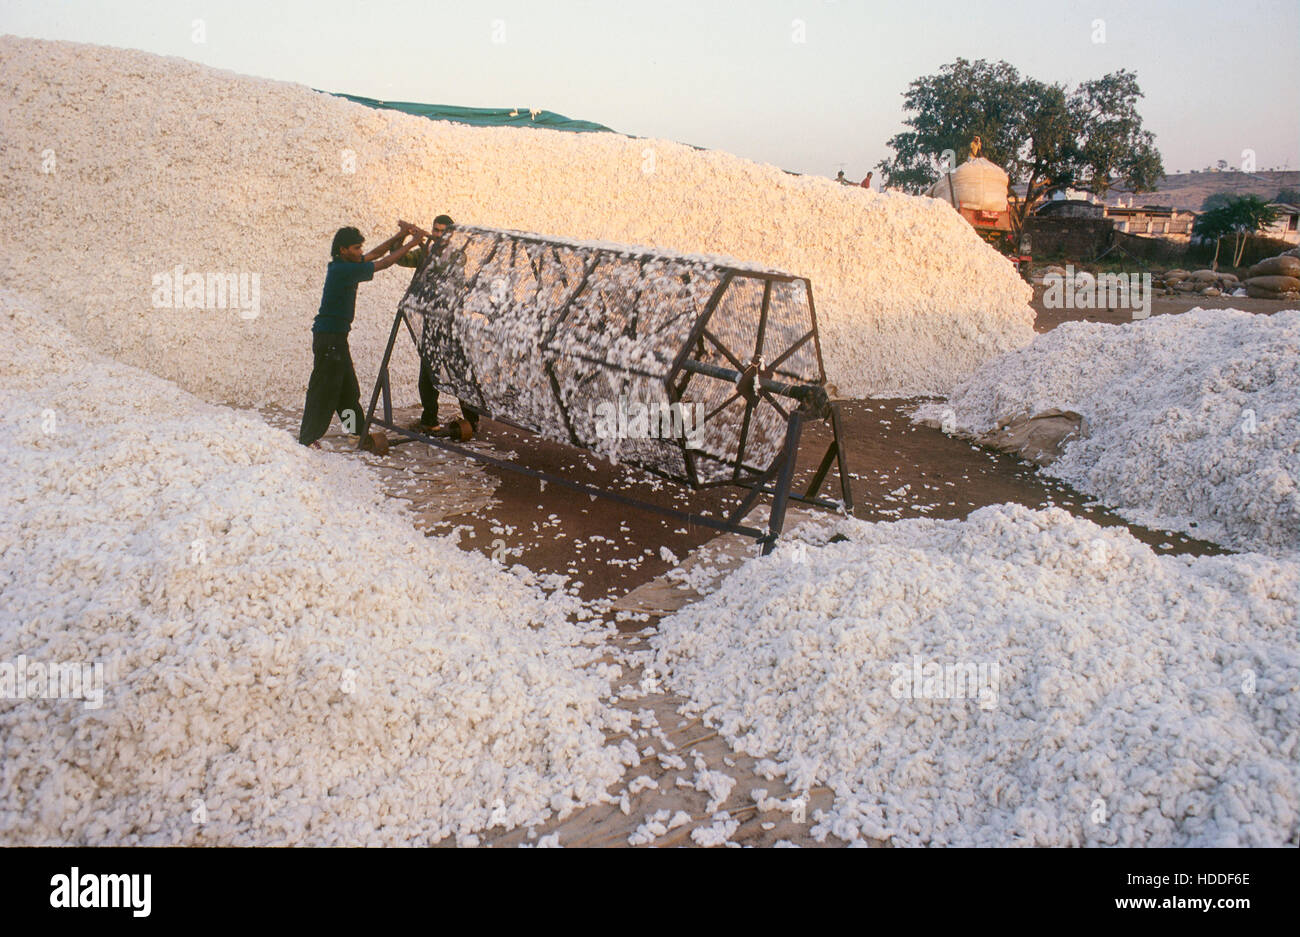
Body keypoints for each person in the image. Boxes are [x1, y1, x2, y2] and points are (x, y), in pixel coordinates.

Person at [298, 225, 422, 448]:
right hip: (329, 340)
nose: (360, 252)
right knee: (324, 390)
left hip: (336, 338)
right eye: (356, 248)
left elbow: (374, 255)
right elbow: (382, 263)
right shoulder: (342, 271)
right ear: (343, 249)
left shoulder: (346, 263)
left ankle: (356, 432)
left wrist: (400, 236)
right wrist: (415, 242)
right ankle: (307, 439)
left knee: (347, 389)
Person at [396, 214, 481, 437]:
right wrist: (402, 237)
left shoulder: (457, 255)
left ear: (452, 235)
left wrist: (425, 244)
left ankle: (472, 421)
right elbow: (401, 259)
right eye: (435, 230)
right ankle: (429, 419)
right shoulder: (427, 253)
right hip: (431, 323)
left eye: (443, 231)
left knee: (460, 373)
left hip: (452, 323)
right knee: (427, 374)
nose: (438, 234)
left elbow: (442, 267)